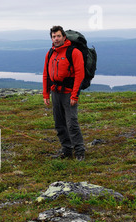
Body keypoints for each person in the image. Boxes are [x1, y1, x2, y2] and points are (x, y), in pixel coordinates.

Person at [43, 25, 85, 161]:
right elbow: (46, 75)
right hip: (56, 93)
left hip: (68, 93)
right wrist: (46, 94)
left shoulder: (74, 52)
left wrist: (74, 95)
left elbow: (80, 74)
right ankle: (66, 150)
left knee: (71, 123)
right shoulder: (50, 53)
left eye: (58, 36)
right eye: (53, 36)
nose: (56, 39)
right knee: (59, 123)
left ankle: (79, 151)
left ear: (64, 37)